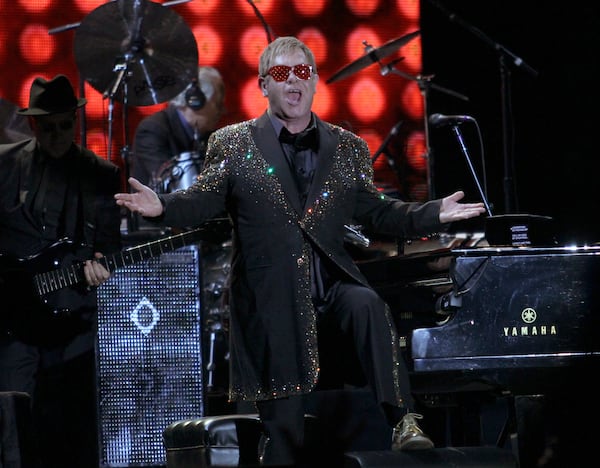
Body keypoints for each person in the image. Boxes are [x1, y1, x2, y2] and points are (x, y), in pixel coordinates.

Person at [115, 36, 486, 467]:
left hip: (331, 286)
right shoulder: (233, 144)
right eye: (281, 74)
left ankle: (404, 419)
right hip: (271, 298)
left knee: (366, 302)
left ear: (314, 83)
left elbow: (377, 213)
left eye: (303, 73)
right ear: (262, 85)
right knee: (286, 441)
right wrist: (162, 207)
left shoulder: (346, 147)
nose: (294, 82)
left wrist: (432, 213)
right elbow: (202, 198)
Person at [0, 74, 122, 468]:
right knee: (15, 420)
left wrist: (101, 266)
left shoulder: (100, 174)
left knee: (73, 423)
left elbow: (109, 244)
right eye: (47, 127)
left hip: (73, 318)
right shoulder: (4, 165)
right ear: (32, 124)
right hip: (14, 321)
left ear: (76, 121)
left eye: (65, 125)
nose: (57, 135)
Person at [131, 65, 226, 193]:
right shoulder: (152, 130)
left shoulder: (210, 135)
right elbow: (172, 184)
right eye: (218, 104)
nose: (222, 111)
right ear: (195, 102)